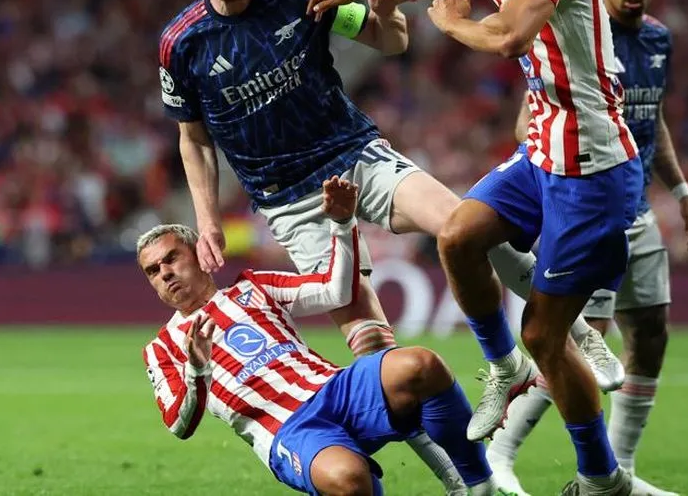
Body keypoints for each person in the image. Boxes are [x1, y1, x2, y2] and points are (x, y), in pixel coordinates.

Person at [157, 0, 576, 464]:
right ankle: (468, 478)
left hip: (356, 156)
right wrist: (207, 221)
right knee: (376, 354)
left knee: (465, 225)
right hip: (291, 203)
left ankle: (570, 337)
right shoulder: (179, 44)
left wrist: (381, 10)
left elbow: (394, 39)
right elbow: (193, 136)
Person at [308, 0, 640, 495]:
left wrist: (455, 23)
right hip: (543, 152)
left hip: (591, 171)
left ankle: (601, 477)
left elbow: (509, 36)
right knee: (458, 235)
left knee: (546, 334)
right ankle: (503, 367)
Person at [487, 0, 688, 496]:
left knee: (651, 332)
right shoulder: (579, 31)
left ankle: (622, 470)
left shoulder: (658, 39)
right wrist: (554, 184)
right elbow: (528, 121)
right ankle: (500, 452)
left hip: (639, 205)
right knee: (573, 339)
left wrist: (683, 190)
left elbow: (652, 118)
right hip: (588, 203)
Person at [139, 177, 504, 496]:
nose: (165, 273)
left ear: (199, 255)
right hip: (288, 429)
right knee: (349, 479)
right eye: (153, 270)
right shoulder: (162, 348)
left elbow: (336, 292)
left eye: (172, 258)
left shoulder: (252, 286)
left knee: (421, 364)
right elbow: (178, 425)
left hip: (335, 390)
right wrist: (198, 369)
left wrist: (343, 224)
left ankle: (477, 486)